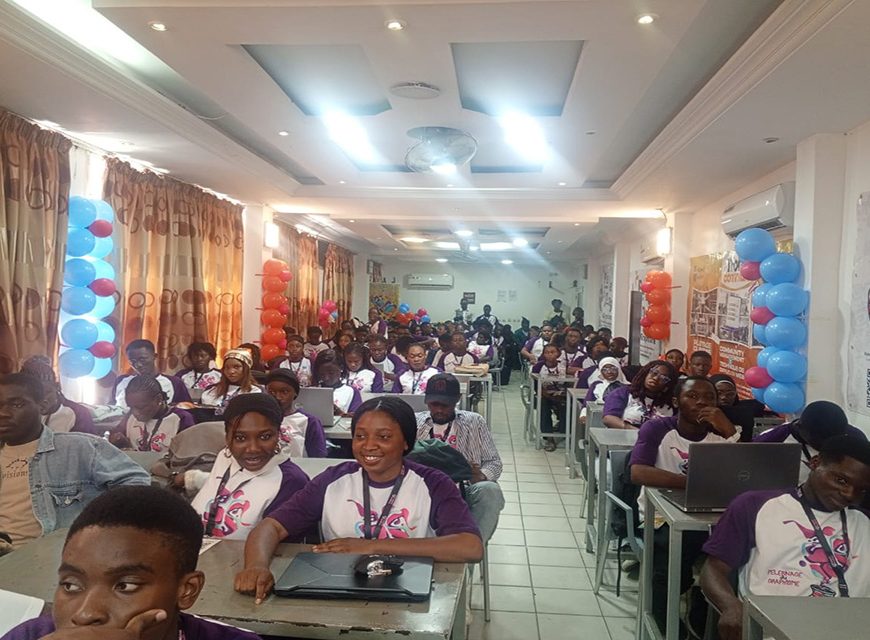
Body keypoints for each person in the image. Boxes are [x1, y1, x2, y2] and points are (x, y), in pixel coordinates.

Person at [234, 396, 484, 602]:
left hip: (407, 591)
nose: (369, 446)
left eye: (384, 437)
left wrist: (370, 546)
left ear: (406, 442)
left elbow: (470, 546)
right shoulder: (333, 480)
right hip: (337, 589)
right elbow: (271, 526)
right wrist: (256, 566)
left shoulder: (433, 483)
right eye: (360, 436)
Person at [2, 485, 262, 640]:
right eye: (71, 585)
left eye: (125, 586)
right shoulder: (29, 636)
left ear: (187, 590)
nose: (85, 614)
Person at [700, 434, 870, 640]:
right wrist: (730, 606)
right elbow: (713, 569)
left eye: (861, 490)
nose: (850, 494)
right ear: (815, 463)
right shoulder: (755, 506)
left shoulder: (863, 522)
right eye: (841, 480)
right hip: (772, 631)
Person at [629, 376, 741, 635]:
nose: (702, 402)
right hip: (660, 515)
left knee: (737, 554)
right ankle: (666, 621)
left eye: (709, 397)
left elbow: (744, 477)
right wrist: (694, 483)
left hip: (712, 516)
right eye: (693, 396)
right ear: (676, 401)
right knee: (672, 557)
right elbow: (638, 472)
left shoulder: (721, 433)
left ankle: (703, 609)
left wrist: (730, 432)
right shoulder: (658, 429)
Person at [0, 373, 149, 552]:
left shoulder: (79, 447)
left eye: (17, 404)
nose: (3, 413)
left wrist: (99, 531)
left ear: (42, 406)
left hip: (54, 556)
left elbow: (138, 484)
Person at [183, 394, 310, 540]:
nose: (253, 448)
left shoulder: (291, 482)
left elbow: (279, 548)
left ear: (278, 434)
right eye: (240, 438)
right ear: (227, 438)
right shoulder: (225, 456)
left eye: (265, 437)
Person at [415, 373, 505, 540]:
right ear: (426, 400)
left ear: (457, 400)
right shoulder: (415, 423)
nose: (439, 410)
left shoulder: (474, 422)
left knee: (490, 491)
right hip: (424, 490)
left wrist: (480, 475)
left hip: (464, 488)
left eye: (445, 405)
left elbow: (494, 462)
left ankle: (472, 545)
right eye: (434, 404)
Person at [754, 400, 865, 481]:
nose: (826, 445)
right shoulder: (771, 440)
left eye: (834, 439)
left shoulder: (855, 438)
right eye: (820, 441)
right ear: (800, 427)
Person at [110, 376, 194, 453]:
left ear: (159, 399)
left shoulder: (181, 419)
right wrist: (120, 442)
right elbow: (116, 437)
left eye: (141, 407)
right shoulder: (130, 417)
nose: (135, 413)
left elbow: (187, 455)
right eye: (131, 407)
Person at [19, 357, 96, 435]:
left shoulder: (79, 413)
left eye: (46, 393)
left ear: (57, 387)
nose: (41, 400)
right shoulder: (17, 413)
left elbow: (88, 442)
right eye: (31, 394)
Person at [264, 369, 327, 458]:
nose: (277, 397)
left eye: (284, 392)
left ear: (295, 393)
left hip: (298, 466)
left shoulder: (309, 421)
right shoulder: (258, 419)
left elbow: (319, 458)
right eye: (272, 392)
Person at [112, 339, 190, 408]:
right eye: (132, 361)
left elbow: (187, 410)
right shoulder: (121, 381)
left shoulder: (174, 383)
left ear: (155, 356)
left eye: (142, 359)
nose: (138, 365)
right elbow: (112, 408)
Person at [602, 360, 678, 429]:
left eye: (663, 378)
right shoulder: (623, 392)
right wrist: (637, 432)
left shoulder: (670, 403)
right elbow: (608, 418)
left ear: (668, 384)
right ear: (645, 373)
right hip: (624, 436)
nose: (656, 378)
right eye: (654, 373)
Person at [708, 373, 766, 443]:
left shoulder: (743, 414)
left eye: (730, 394)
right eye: (719, 393)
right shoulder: (701, 412)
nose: (724, 397)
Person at [200, 349, 262, 414]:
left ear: (246, 369)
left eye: (236, 367)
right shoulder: (211, 390)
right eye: (227, 367)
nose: (231, 371)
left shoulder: (255, 391)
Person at [532, 344, 569, 451]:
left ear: (558, 354)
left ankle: (564, 431)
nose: (550, 355)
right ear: (543, 354)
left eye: (553, 352)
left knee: (568, 406)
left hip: (561, 395)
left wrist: (562, 394)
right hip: (544, 395)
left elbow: (568, 383)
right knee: (543, 405)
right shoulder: (538, 367)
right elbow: (535, 385)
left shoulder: (564, 366)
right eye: (547, 352)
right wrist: (546, 394)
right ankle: (548, 437)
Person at [580, 356, 628, 424]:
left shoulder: (627, 387)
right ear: (600, 372)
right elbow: (587, 403)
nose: (609, 372)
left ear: (618, 369)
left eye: (613, 369)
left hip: (621, 419)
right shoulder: (597, 385)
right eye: (604, 369)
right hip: (597, 418)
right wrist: (583, 415)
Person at [313, 349, 362, 416]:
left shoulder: (351, 391)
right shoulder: (313, 391)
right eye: (322, 374)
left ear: (341, 368)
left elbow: (357, 417)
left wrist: (339, 412)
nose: (326, 378)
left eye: (331, 373)